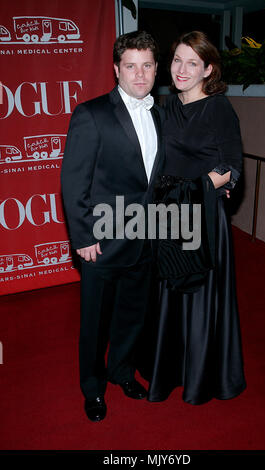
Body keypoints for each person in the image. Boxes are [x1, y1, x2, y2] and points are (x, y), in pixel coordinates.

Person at [61, 31, 164, 422]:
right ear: (116, 69)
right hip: (102, 242)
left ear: (156, 69)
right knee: (95, 322)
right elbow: (74, 180)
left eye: (147, 66)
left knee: (132, 315)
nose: (140, 75)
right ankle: (93, 388)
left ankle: (122, 371)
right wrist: (83, 236)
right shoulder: (91, 114)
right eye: (131, 66)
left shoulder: (159, 112)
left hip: (146, 237)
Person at [145, 31, 247, 405]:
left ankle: (201, 375)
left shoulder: (218, 108)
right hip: (165, 213)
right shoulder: (162, 106)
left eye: (192, 62)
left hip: (201, 215)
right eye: (177, 60)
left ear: (208, 69)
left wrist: (196, 187)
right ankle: (166, 369)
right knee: (167, 293)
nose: (182, 69)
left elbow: (232, 166)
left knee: (200, 297)